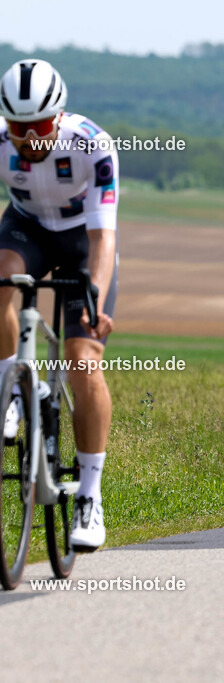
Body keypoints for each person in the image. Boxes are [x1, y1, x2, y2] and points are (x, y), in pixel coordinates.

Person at [0, 59, 118, 551]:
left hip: (80, 241)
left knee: (83, 362)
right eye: (18, 128)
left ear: (60, 116)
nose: (29, 138)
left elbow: (103, 237)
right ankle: (11, 387)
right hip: (26, 230)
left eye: (41, 126)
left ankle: (89, 495)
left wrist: (95, 296)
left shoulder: (93, 145)